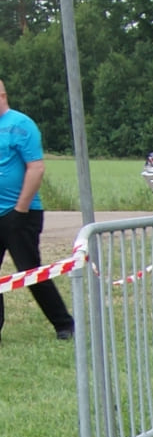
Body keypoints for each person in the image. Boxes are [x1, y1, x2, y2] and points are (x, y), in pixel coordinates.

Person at [0, 80, 74, 342]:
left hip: (20, 213)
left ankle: (64, 324)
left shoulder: (21, 125)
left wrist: (19, 211)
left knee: (30, 271)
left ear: (2, 95)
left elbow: (36, 168)